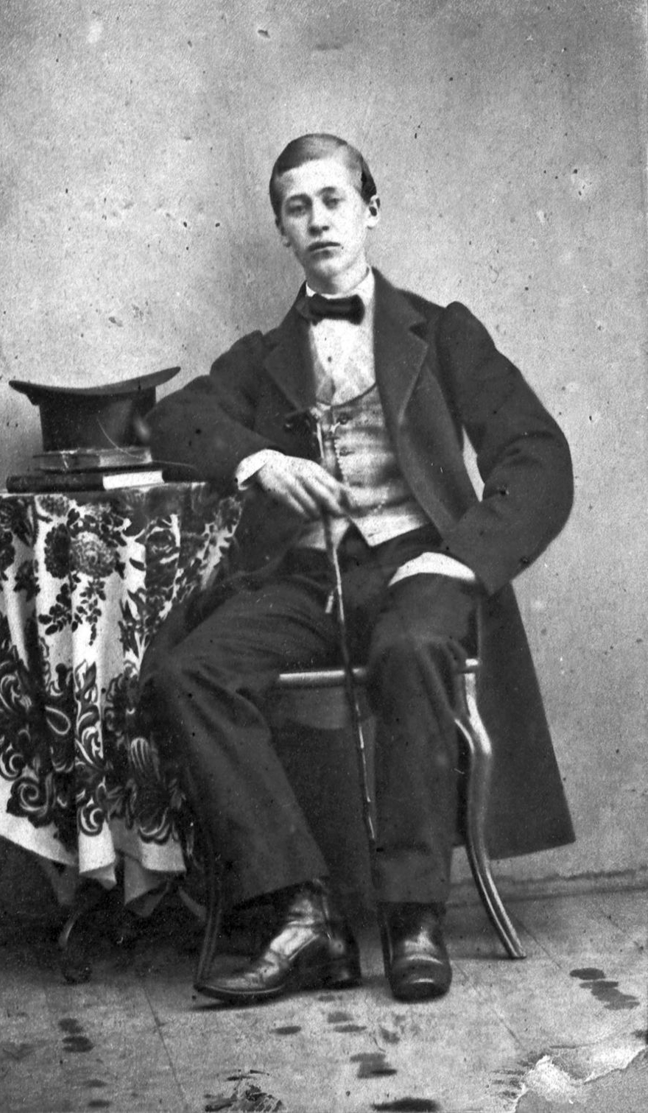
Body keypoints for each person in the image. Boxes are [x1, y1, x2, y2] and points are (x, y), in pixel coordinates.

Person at [144, 133, 574, 1005]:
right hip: (310, 580)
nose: (318, 221)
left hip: (420, 569)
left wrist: (461, 561)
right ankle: (305, 913)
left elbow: (538, 454)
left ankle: (415, 917)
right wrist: (259, 462)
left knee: (413, 650)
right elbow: (173, 422)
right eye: (297, 208)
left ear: (370, 210)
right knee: (190, 673)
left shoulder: (442, 332)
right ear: (282, 230)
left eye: (334, 200)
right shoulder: (263, 356)